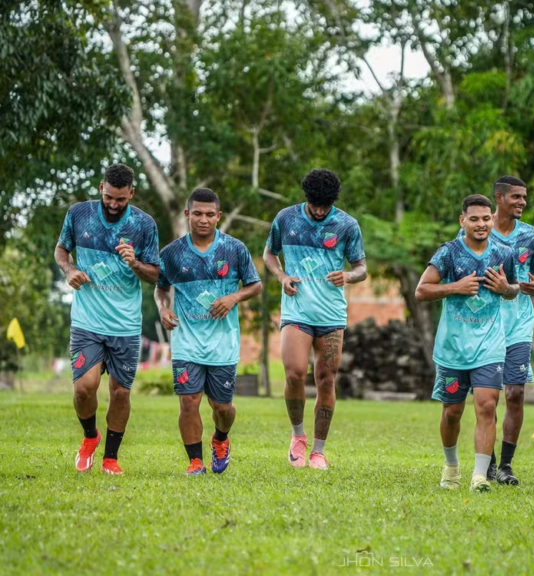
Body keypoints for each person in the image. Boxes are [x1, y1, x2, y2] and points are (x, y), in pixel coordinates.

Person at [54, 163, 160, 475]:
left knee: (120, 392)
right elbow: (62, 250)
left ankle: (110, 458)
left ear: (132, 194)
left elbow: (154, 275)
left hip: (125, 325)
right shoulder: (79, 214)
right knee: (84, 388)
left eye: (120, 200)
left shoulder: (144, 225)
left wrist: (135, 263)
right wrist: (70, 270)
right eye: (109, 197)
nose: (113, 205)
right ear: (102, 188)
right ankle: (90, 437)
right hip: (87, 320)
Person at [263, 169, 367, 470]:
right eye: (315, 205)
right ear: (306, 198)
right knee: (294, 373)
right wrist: (281, 276)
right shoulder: (286, 219)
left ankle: (319, 451)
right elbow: (269, 255)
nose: (320, 211)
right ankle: (298, 437)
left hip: (332, 315)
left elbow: (362, 268)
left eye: (325, 206)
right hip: (297, 311)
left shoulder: (347, 224)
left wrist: (348, 275)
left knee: (325, 379)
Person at [155, 188, 261, 475]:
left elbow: (256, 285)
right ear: (188, 214)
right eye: (198, 214)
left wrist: (233, 297)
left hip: (223, 343)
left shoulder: (234, 249)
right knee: (189, 402)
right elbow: (161, 287)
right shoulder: (172, 253)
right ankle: (195, 462)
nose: (204, 219)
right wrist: (163, 309)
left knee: (222, 407)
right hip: (186, 341)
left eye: (210, 214)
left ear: (219, 217)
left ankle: (221, 439)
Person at [417, 194, 519, 492]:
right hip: (453, 347)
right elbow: (422, 290)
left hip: (489, 345)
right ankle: (451, 466)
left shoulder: (504, 253)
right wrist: (455, 287)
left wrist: (505, 288)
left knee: (487, 406)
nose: (481, 224)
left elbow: (513, 289)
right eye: (474, 219)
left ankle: (479, 476)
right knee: (452, 412)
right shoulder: (448, 253)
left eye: (486, 218)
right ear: (462, 221)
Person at [459, 177, 534, 485]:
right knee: (489, 397)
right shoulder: (476, 229)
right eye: (517, 197)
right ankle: (489, 461)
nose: (522, 202)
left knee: (515, 392)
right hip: (485, 325)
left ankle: (506, 464)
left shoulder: (533, 237)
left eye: (525, 197)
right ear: (500, 197)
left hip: (519, 323)